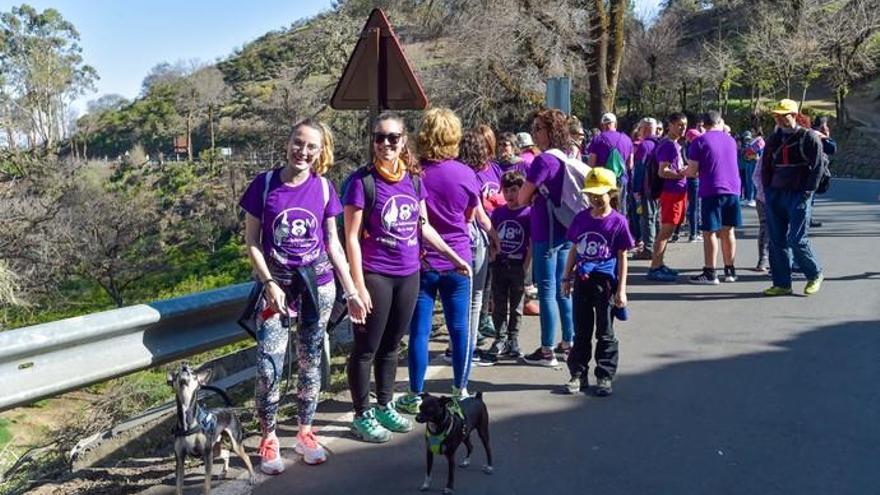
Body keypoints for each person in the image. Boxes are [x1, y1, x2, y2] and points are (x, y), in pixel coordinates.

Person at [240, 119, 366, 472]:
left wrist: (352, 290)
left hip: (318, 285)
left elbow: (334, 244)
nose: (303, 151)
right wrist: (268, 284)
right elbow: (251, 241)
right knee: (269, 367)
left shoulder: (325, 188)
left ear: (320, 151)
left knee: (310, 363)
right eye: (298, 143)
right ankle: (269, 438)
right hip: (275, 289)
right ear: (288, 142)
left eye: (311, 146)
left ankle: (305, 433)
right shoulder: (263, 185)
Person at [343, 113, 470, 443]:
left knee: (391, 346)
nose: (386, 143)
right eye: (380, 137)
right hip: (376, 275)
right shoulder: (362, 182)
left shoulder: (413, 180)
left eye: (393, 137)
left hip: (409, 274)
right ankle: (361, 413)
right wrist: (356, 286)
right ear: (372, 141)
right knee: (366, 347)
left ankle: (384, 404)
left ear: (404, 141)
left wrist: (455, 258)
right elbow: (351, 239)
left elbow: (424, 226)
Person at [397, 108, 491, 414]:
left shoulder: (414, 174)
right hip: (458, 259)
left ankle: (414, 393)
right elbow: (468, 216)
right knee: (460, 327)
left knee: (420, 331)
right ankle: (460, 389)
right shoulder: (466, 174)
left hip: (421, 260)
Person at [561, 167, 633, 397]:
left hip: (606, 284)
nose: (594, 199)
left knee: (605, 331)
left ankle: (604, 375)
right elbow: (574, 248)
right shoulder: (581, 218)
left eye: (599, 194)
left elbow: (622, 257)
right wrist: (566, 276)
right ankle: (578, 374)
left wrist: (621, 290)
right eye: (590, 194)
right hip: (583, 281)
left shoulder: (618, 222)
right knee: (581, 331)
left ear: (611, 192)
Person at [516, 108, 576, 366]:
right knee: (564, 289)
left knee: (547, 291)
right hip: (565, 228)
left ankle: (546, 349)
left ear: (550, 131)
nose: (535, 132)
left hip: (546, 231)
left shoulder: (543, 161)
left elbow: (521, 198)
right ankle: (568, 343)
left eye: (539, 128)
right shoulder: (564, 157)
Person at [761, 99, 825, 296]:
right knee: (776, 240)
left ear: (795, 115)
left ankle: (814, 274)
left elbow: (817, 168)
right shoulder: (773, 139)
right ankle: (782, 283)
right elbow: (765, 167)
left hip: (798, 194)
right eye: (777, 115)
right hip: (776, 194)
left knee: (797, 240)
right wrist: (768, 192)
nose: (780, 119)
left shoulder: (809, 138)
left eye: (784, 115)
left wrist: (807, 192)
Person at [458, 128, 502, 366]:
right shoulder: (469, 177)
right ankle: (468, 349)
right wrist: (495, 237)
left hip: (445, 244)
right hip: (471, 241)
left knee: (456, 299)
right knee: (474, 300)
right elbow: (480, 216)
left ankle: (458, 346)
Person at [684, 111, 742, 285]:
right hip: (733, 189)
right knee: (728, 230)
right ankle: (730, 269)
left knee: (710, 232)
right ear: (720, 122)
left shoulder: (699, 142)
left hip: (712, 189)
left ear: (704, 124)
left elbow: (692, 171)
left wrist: (682, 172)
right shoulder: (731, 141)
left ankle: (710, 271)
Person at [488, 170, 531, 359]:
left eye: (514, 190)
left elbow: (531, 243)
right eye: (506, 191)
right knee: (498, 303)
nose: (510, 195)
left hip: (518, 266)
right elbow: (492, 236)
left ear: (522, 191)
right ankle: (500, 337)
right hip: (499, 264)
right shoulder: (498, 213)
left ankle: (513, 339)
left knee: (516, 305)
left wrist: (526, 266)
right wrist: (492, 257)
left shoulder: (528, 213)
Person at [647, 113, 688, 282]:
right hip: (671, 192)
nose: (682, 128)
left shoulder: (676, 144)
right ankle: (655, 267)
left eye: (684, 125)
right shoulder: (668, 145)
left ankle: (659, 264)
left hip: (678, 192)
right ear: (669, 125)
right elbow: (662, 171)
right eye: (679, 125)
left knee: (668, 231)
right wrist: (680, 174)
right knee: (665, 231)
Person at [587, 113, 635, 216]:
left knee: (603, 210)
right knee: (621, 210)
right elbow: (630, 165)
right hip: (621, 180)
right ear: (615, 124)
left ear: (603, 125)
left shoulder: (597, 139)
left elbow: (591, 164)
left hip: (603, 182)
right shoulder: (627, 139)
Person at [631, 117, 660, 260]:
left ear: (646, 129)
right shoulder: (660, 143)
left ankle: (648, 249)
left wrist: (636, 189)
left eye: (640, 128)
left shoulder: (644, 146)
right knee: (655, 217)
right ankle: (657, 246)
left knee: (646, 218)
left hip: (647, 187)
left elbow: (639, 168)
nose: (639, 131)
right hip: (659, 187)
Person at [809, 116, 837, 228]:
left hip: (806, 170)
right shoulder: (818, 136)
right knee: (809, 195)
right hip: (812, 171)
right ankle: (806, 218)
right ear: (821, 126)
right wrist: (826, 136)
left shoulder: (808, 133)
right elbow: (832, 148)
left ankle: (807, 217)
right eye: (826, 126)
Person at [683, 128, 703, 243]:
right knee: (695, 207)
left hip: (688, 177)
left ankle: (695, 231)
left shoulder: (686, 148)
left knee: (692, 206)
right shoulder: (693, 148)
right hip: (694, 178)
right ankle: (694, 233)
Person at [740, 130, 764, 207]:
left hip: (754, 163)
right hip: (749, 162)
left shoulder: (760, 141)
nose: (752, 132)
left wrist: (752, 155)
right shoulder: (753, 140)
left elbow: (758, 153)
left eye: (753, 131)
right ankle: (749, 198)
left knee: (753, 181)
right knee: (748, 181)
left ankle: (754, 199)